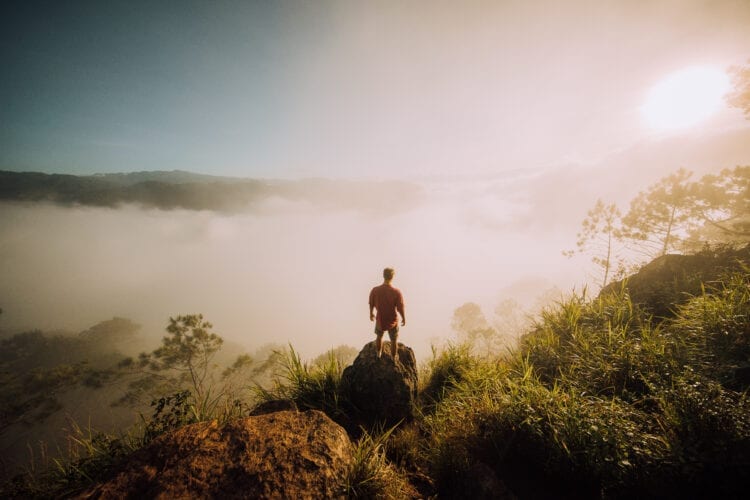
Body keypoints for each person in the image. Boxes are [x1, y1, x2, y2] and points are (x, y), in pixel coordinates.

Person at [369, 267, 406, 360]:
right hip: (393, 319)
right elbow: (400, 307)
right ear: (392, 277)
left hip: (380, 318)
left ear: (383, 276)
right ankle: (393, 358)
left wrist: (371, 313)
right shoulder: (396, 292)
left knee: (379, 336)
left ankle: (378, 354)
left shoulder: (375, 290)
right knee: (394, 340)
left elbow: (371, 302)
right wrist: (404, 318)